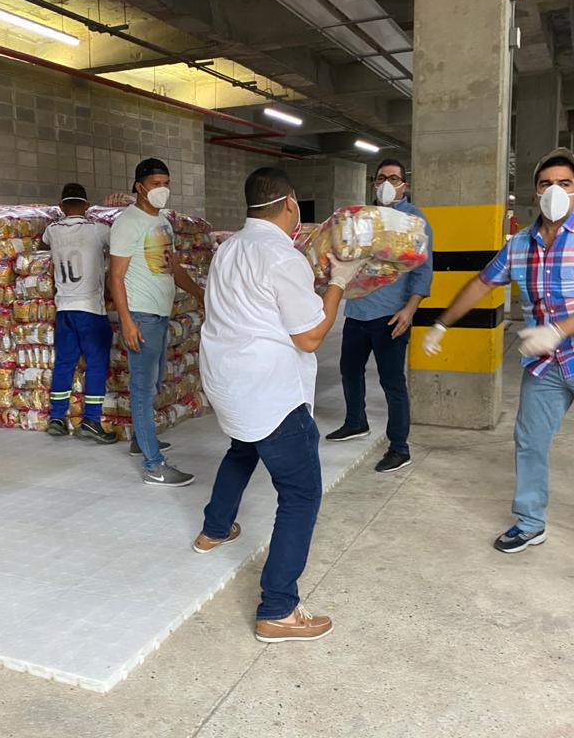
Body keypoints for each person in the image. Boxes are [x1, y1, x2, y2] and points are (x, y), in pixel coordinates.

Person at [420, 147, 574, 612]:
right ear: (535, 191)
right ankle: (530, 522)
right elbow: (480, 283)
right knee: (529, 442)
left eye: (565, 183)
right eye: (546, 182)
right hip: (546, 368)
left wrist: (556, 331)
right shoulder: (519, 244)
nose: (555, 190)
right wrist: (441, 323)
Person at [194, 167, 365, 642]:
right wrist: (338, 282)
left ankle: (214, 529)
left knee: (243, 447)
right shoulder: (280, 256)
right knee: (301, 494)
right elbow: (310, 337)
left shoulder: (227, 250)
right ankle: (278, 609)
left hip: (227, 381)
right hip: (270, 388)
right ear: (290, 202)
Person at [325, 158, 433, 473]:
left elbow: (423, 269)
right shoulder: (361, 217)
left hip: (391, 315)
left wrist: (410, 309)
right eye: (381, 178)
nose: (387, 183)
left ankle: (400, 447)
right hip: (358, 311)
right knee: (349, 370)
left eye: (394, 178)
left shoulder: (415, 220)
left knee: (392, 383)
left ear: (405, 184)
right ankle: (356, 421)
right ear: (373, 183)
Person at [110, 158, 204, 486]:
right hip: (141, 314)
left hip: (160, 314)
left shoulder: (162, 221)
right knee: (141, 387)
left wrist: (200, 294)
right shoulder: (127, 222)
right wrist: (127, 321)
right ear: (139, 187)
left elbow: (173, 265)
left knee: (154, 382)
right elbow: (116, 276)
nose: (162, 189)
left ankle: (140, 439)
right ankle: (154, 464)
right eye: (155, 183)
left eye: (166, 183)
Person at [44, 183, 117, 444]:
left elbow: (44, 240)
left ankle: (56, 417)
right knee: (96, 363)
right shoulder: (98, 229)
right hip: (90, 309)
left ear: (61, 206)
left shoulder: (52, 230)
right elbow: (117, 244)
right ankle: (92, 421)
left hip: (64, 309)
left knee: (64, 362)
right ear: (87, 206)